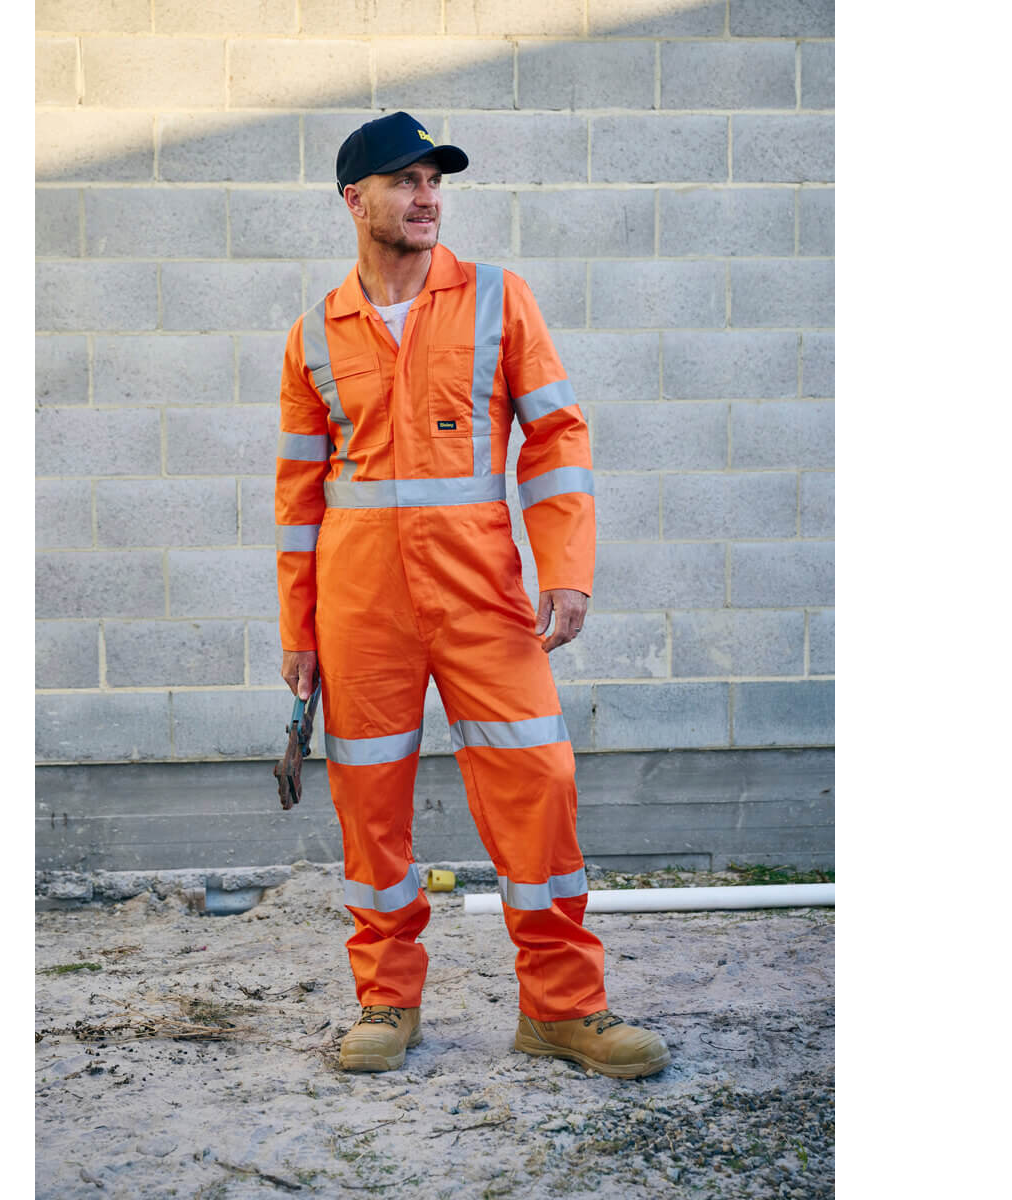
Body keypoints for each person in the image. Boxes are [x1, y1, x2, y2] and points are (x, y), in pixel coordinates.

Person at [274, 111, 669, 1080]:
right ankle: (388, 1000)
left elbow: (557, 434)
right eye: (404, 182)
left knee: (541, 781)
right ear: (354, 199)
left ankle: (563, 1009)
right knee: (370, 801)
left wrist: (565, 565)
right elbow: (297, 496)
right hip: (361, 607)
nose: (426, 199)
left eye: (434, 182)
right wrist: (299, 630)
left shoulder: (498, 299)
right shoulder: (314, 336)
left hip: (482, 594)